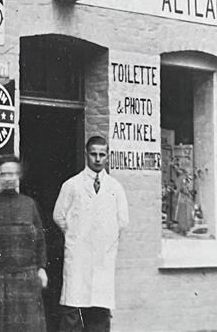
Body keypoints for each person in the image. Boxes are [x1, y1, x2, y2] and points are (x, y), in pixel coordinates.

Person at [53, 136, 129, 332]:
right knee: (73, 308)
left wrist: (101, 238)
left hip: (102, 258)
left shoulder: (115, 187)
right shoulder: (72, 185)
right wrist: (77, 236)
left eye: (102, 155)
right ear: (86, 154)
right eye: (93, 154)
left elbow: (122, 221)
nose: (97, 159)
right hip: (78, 256)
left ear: (107, 157)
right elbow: (59, 216)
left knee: (99, 310)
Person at [0, 154, 48, 332]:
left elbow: (40, 239)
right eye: (4, 174)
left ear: (19, 175)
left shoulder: (29, 204)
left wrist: (41, 268)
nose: (8, 178)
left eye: (13, 174)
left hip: (27, 277)